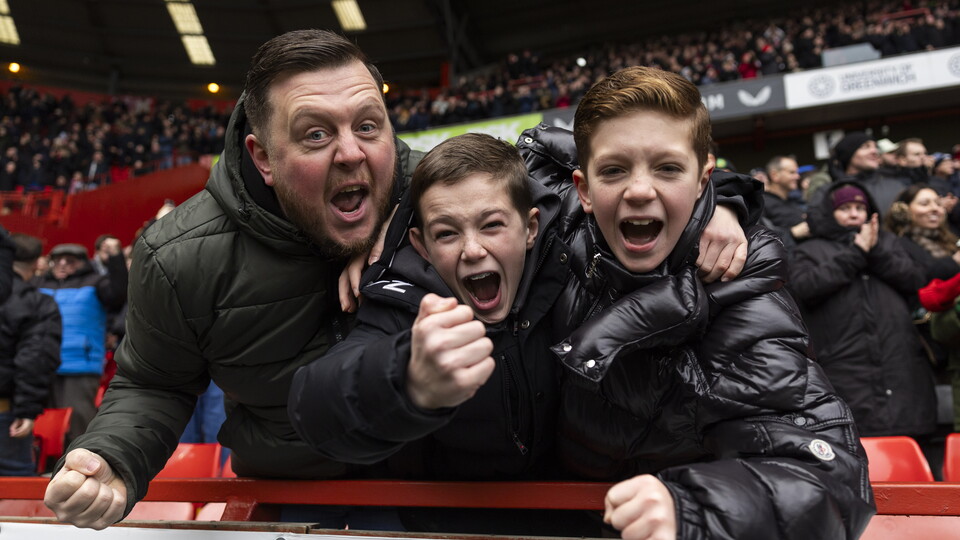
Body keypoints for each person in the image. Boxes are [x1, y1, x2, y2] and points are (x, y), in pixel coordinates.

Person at [43, 29, 423, 530]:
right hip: (293, 502)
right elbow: (155, 383)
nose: (352, 153)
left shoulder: (444, 196)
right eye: (316, 134)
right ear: (263, 157)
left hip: (456, 489)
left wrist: (405, 228)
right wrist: (110, 457)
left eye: (369, 126)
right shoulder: (177, 257)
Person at [519, 66, 874, 539]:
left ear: (703, 179)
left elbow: (826, 472)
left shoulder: (741, 286)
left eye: (668, 169)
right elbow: (536, 147)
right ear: (583, 189)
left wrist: (691, 508)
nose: (640, 190)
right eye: (614, 169)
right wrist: (730, 194)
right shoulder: (559, 225)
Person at [788, 182, 936, 439]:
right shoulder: (810, 250)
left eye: (860, 207)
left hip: (900, 365)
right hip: (844, 367)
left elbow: (915, 280)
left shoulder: (888, 244)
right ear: (829, 212)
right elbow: (805, 288)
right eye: (845, 208)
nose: (855, 214)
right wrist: (856, 253)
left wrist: (875, 250)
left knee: (911, 448)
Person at [36, 242, 127, 447]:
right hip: (42, 364)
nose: (62, 264)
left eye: (70, 261)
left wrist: (115, 258)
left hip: (80, 363)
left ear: (83, 263)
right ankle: (46, 469)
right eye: (57, 260)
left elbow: (120, 293)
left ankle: (80, 463)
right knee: (44, 424)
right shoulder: (40, 283)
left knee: (79, 420)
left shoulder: (96, 282)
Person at [0, 233, 61, 476]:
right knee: (14, 492)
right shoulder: (38, 303)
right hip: (5, 414)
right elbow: (35, 358)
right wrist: (27, 409)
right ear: (37, 263)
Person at [805, 131, 907, 216]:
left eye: (875, 147)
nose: (874, 151)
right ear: (848, 154)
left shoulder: (896, 186)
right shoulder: (827, 192)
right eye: (865, 147)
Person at [761, 155, 809, 245]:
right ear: (774, 175)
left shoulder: (794, 200)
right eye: (792, 172)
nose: (797, 177)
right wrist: (792, 233)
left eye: (797, 172)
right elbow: (762, 237)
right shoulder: (762, 204)